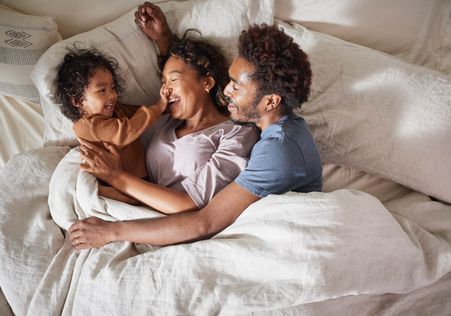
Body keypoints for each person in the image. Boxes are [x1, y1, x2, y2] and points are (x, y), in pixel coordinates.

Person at [68, 4, 322, 249]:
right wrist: (164, 40)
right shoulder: (180, 117)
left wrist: (113, 227)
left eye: (236, 85)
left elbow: (205, 221)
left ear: (270, 101)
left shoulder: (275, 149)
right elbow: (191, 80)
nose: (227, 90)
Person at [55, 47, 167, 203]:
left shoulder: (117, 111)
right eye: (102, 90)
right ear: (78, 101)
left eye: (113, 88)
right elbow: (125, 131)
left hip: (139, 180)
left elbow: (141, 114)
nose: (112, 95)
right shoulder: (87, 125)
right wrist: (159, 107)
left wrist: (166, 107)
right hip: (115, 184)